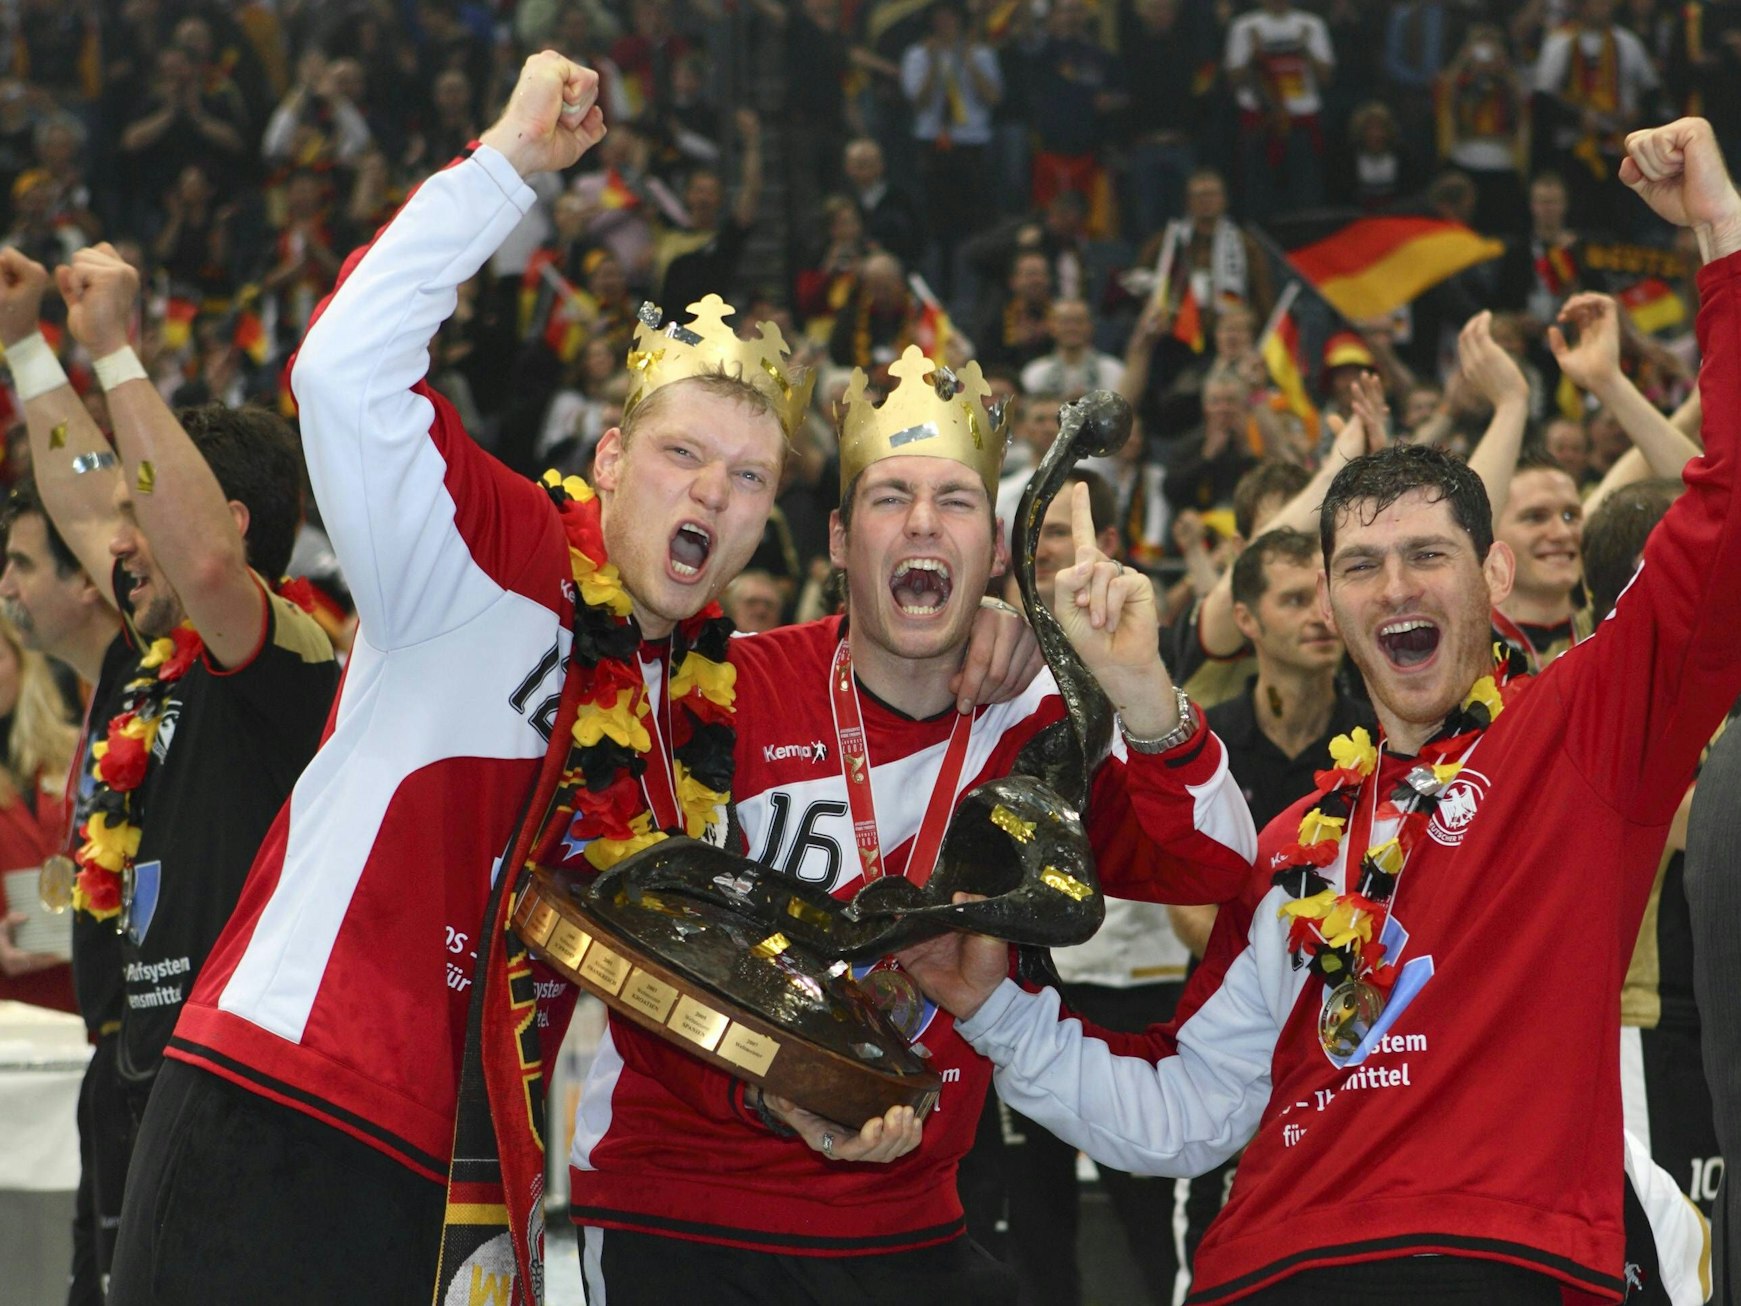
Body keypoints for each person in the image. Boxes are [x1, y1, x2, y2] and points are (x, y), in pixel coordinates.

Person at [125, 56, 1030, 1306]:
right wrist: (507, 163)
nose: (711, 490)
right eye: (680, 453)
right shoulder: (489, 554)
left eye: (750, 477)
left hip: (473, 1170)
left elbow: (652, 977)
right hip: (294, 1094)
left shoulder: (684, 720)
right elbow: (340, 371)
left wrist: (784, 1087)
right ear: (607, 458)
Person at [903, 117, 1741, 1306]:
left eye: (1427, 557)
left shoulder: (1581, 730)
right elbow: (1185, 1109)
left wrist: (1721, 233)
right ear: (1334, 608)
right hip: (1270, 1268)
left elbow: (1721, 519)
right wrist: (991, 1009)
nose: (1394, 588)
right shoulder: (1293, 845)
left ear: (1495, 578)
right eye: (1360, 566)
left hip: (1487, 1259)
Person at [568, 347, 1258, 1302]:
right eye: (891, 497)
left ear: (995, 552)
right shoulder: (722, 685)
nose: (924, 522)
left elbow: (1214, 869)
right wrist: (763, 1086)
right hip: (686, 1216)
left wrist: (1139, 685)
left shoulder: (1036, 731)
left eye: (956, 500)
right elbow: (625, 929)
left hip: (913, 1223)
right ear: (839, 539)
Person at [0, 476, 132, 1305]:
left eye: (20, 564)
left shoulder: (80, 739)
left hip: (99, 1031)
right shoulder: (104, 707)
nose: (7, 586)